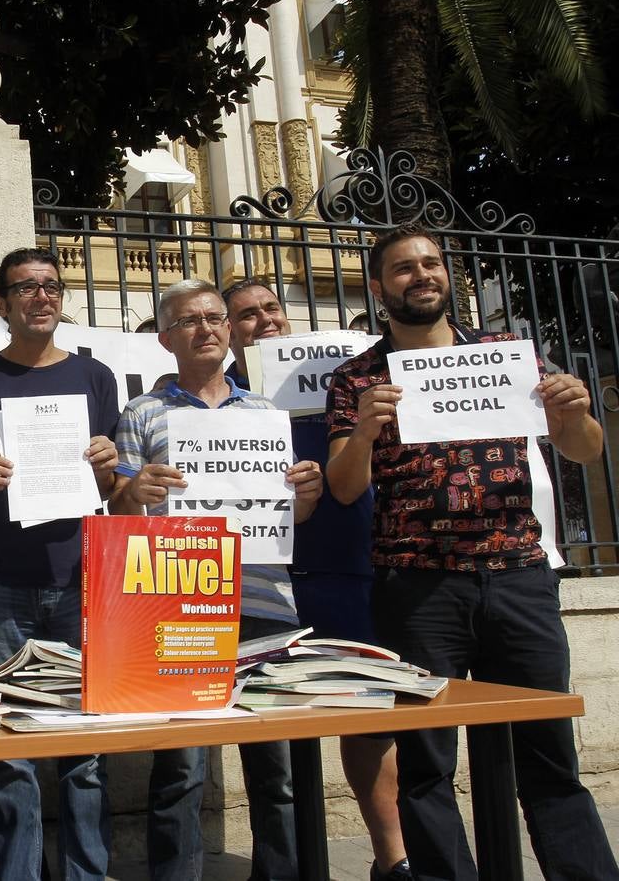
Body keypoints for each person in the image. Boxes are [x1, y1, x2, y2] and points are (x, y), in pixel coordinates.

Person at [325, 224, 619, 881]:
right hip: (418, 590)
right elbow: (344, 489)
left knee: (549, 758)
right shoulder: (356, 378)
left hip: (520, 580)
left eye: (431, 263)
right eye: (403, 268)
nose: (421, 274)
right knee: (426, 765)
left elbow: (587, 449)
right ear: (379, 288)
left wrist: (573, 413)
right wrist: (365, 433)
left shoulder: (506, 354)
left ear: (446, 275)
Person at [109, 279, 324, 881]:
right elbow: (124, 514)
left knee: (274, 765)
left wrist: (303, 498)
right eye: (188, 322)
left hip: (264, 601)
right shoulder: (141, 414)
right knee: (181, 766)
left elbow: (288, 518)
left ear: (230, 331)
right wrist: (133, 491)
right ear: (164, 338)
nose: (204, 329)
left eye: (213, 318)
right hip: (180, 606)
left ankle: (280, 873)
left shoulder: (265, 415)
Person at [223, 279, 410, 881]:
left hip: (344, 562)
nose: (264, 321)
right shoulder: (218, 393)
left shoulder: (341, 375)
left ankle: (392, 857)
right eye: (246, 315)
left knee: (366, 715)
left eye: (271, 307)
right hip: (260, 578)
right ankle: (283, 865)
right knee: (268, 735)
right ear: (229, 331)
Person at [0, 247, 118, 881]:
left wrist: (109, 465)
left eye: (51, 286)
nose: (41, 297)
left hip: (81, 583)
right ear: (2, 303)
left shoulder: (95, 378)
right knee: (11, 750)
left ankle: (87, 874)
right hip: (0, 588)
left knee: (85, 749)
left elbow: (110, 492)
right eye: (26, 288)